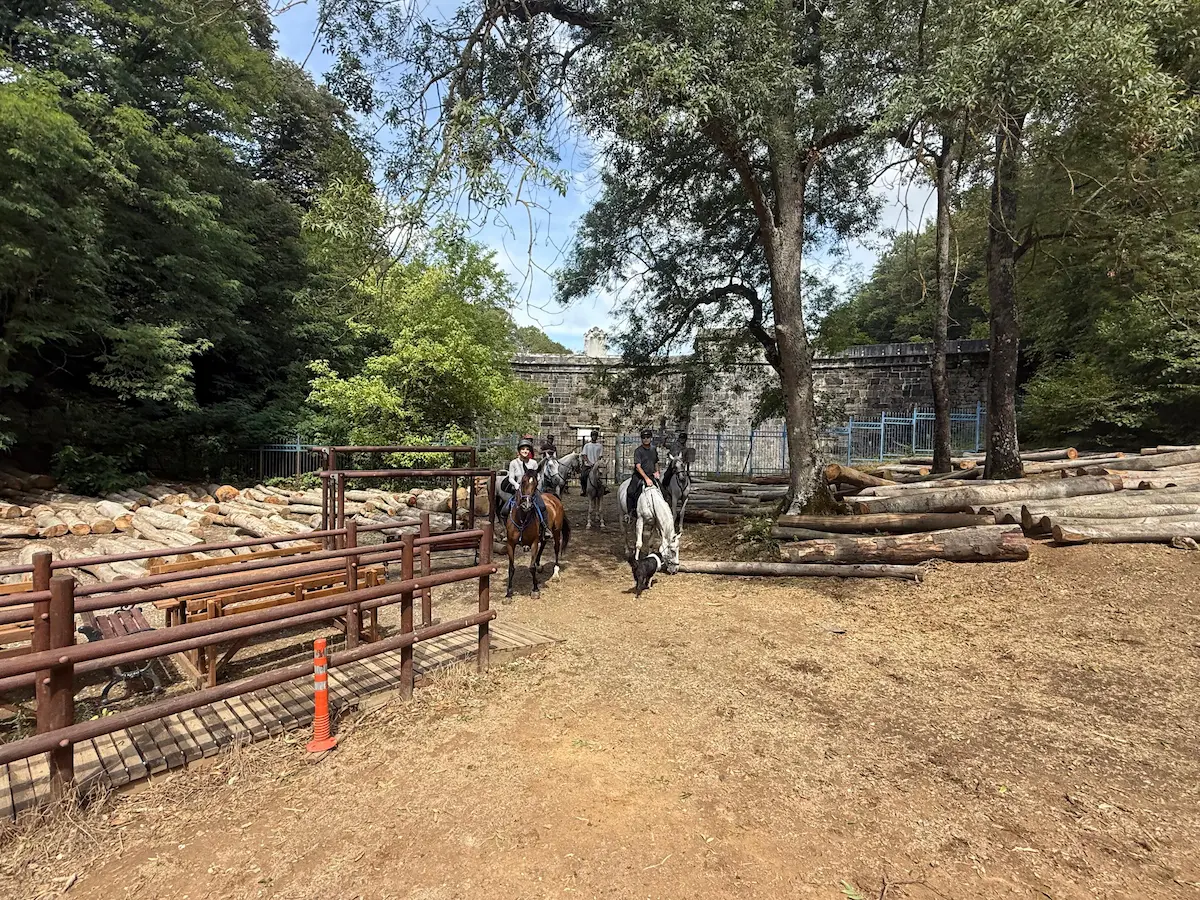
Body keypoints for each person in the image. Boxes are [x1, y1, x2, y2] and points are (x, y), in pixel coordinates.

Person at [503, 436, 547, 522]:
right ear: (519, 451)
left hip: (531, 490)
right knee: (504, 510)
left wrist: (535, 483)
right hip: (519, 489)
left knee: (542, 506)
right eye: (523, 449)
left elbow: (537, 476)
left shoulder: (533, 463)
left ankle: (545, 528)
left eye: (527, 449)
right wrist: (516, 485)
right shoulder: (513, 463)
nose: (525, 451)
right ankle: (507, 529)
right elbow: (511, 478)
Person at [627, 428, 659, 515]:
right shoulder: (638, 451)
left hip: (651, 475)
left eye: (648, 437)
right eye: (644, 437)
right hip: (639, 476)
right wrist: (646, 479)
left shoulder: (653, 449)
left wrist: (657, 472)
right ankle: (630, 512)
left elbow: (656, 461)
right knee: (631, 491)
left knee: (663, 491)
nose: (646, 439)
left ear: (651, 438)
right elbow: (638, 467)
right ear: (641, 439)